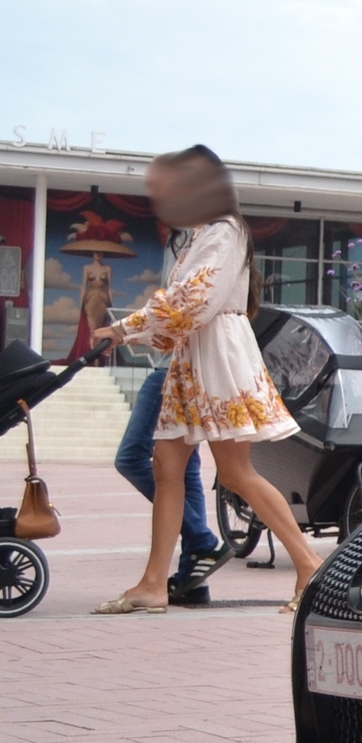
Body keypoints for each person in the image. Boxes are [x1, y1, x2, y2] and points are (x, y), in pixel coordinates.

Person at [91, 148, 319, 615]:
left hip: (216, 358)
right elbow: (186, 304)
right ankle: (154, 583)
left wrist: (126, 327)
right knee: (166, 466)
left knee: (235, 472)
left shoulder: (222, 231)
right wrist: (145, 330)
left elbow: (194, 299)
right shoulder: (207, 233)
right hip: (196, 358)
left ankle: (309, 562)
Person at [112, 228, 227, 606]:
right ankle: (194, 576)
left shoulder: (211, 236)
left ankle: (202, 539)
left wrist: (124, 330)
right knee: (185, 471)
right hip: (181, 365)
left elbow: (179, 305)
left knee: (131, 457)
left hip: (173, 369)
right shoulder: (188, 238)